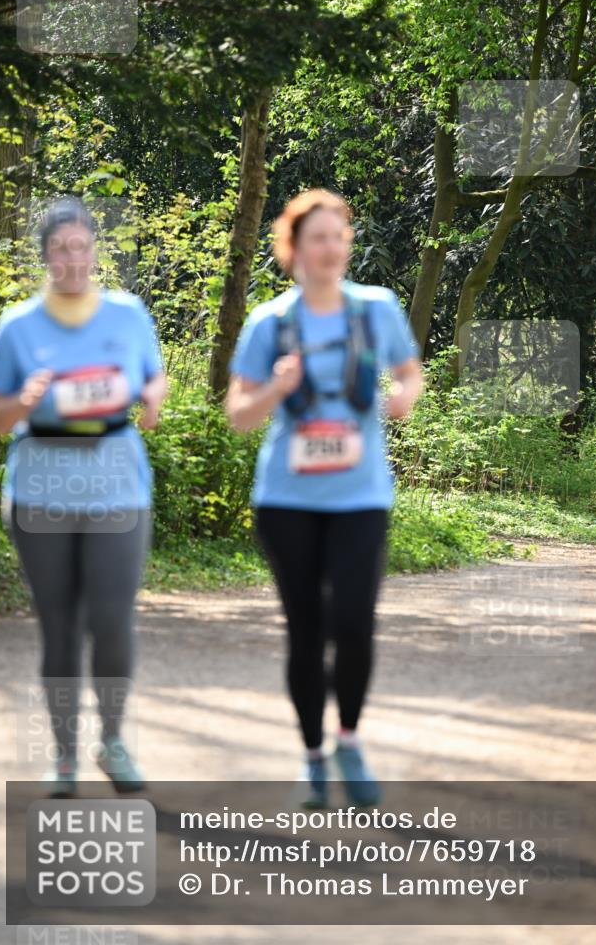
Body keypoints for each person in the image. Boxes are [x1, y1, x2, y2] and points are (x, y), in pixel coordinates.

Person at [225, 189, 423, 808]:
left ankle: (349, 740)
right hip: (287, 498)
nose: (331, 247)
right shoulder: (269, 323)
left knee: (355, 625)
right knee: (306, 629)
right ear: (295, 249)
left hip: (360, 496)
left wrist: (404, 396)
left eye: (339, 235)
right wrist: (276, 389)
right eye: (318, 237)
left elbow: (410, 371)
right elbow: (238, 415)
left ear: (348, 244)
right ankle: (312, 758)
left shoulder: (377, 309)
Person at [0, 196, 168, 797]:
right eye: (59, 248)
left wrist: (153, 398)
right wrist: (22, 402)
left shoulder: (127, 314)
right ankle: (64, 757)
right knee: (59, 628)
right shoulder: (16, 326)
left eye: (80, 247)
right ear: (44, 255)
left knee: (112, 623)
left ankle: (111, 741)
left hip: (118, 490)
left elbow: (152, 376)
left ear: (95, 250)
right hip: (40, 493)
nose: (70, 259)